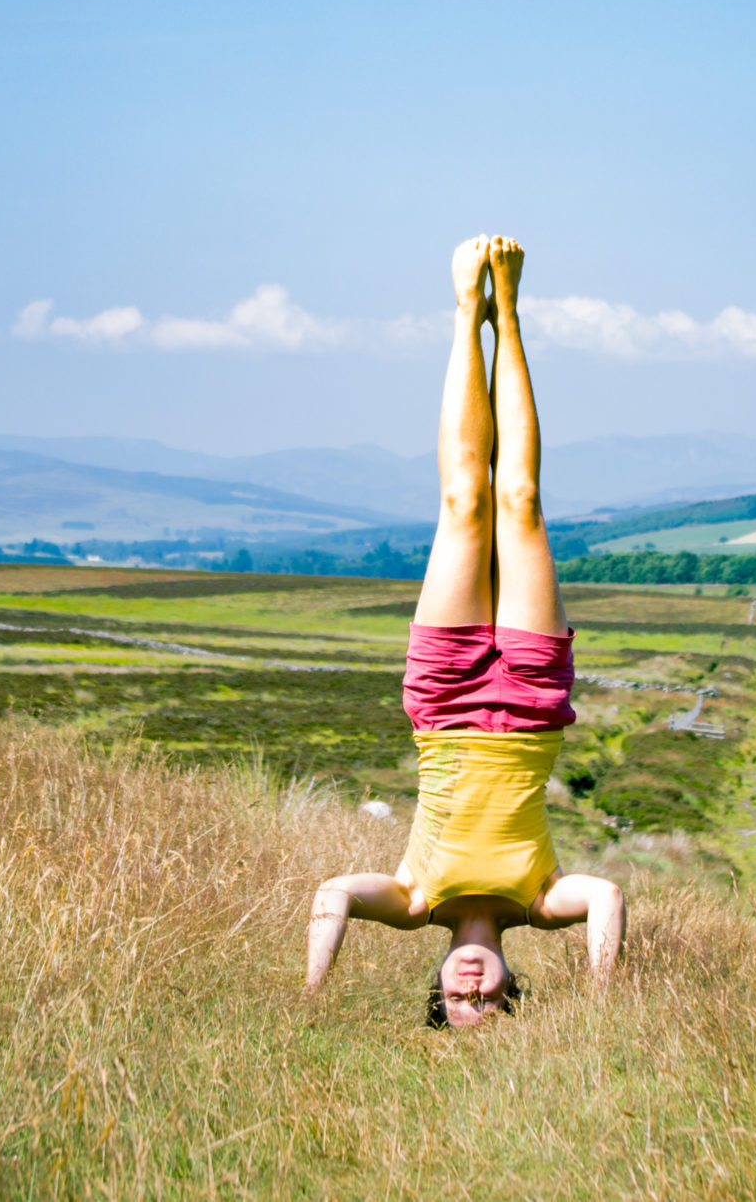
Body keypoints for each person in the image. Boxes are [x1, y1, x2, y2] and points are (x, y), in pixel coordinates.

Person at [304, 236, 625, 1027]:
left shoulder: (414, 901)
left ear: (438, 986)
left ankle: (462, 316)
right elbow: (609, 897)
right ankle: (508, 315)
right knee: (516, 499)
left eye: (455, 998)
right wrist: (608, 1001)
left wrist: (308, 997)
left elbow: (333, 894)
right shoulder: (545, 902)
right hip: (529, 704)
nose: (472, 984)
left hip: (445, 704)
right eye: (489, 997)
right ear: (515, 985)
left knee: (462, 503)